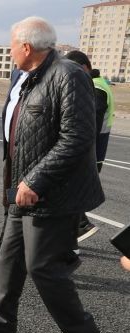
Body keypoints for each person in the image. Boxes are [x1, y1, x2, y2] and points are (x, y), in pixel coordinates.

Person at [0, 17, 103, 333]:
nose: (9, 53)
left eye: (10, 46)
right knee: (9, 258)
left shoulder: (68, 76)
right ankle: (1, 321)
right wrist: (19, 181)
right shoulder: (30, 77)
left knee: (42, 266)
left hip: (54, 192)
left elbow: (78, 138)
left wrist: (35, 180)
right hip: (23, 188)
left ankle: (80, 330)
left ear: (26, 47)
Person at [64, 50, 115, 245]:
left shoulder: (96, 88)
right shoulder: (96, 84)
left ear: (84, 67)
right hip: (90, 152)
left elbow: (90, 125)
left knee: (71, 193)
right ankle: (73, 235)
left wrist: (77, 152)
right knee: (70, 193)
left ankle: (80, 228)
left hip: (89, 153)